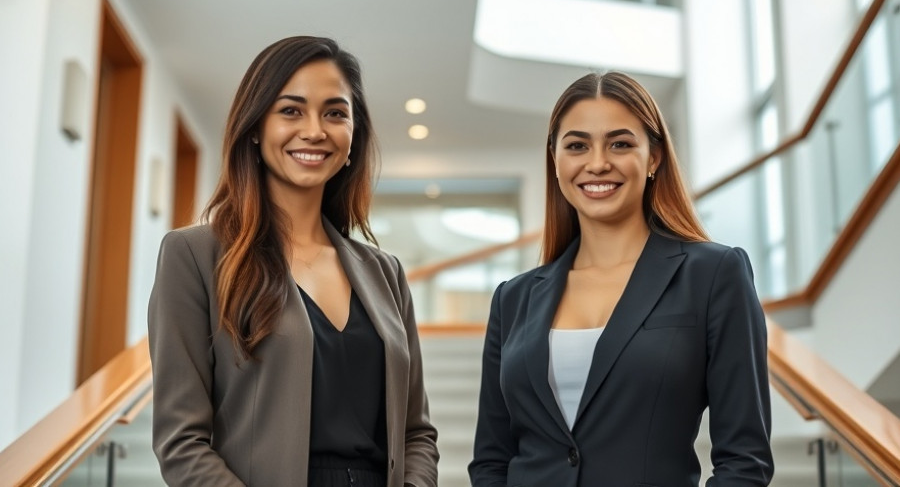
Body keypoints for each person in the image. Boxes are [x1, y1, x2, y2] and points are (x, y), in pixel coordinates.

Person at [148, 36, 439, 487]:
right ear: (254, 127)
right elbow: (181, 442)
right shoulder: (194, 256)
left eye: (336, 113)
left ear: (353, 135)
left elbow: (417, 432)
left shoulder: (386, 273)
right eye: (291, 110)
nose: (315, 130)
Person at [469, 71, 773, 486]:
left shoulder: (713, 275)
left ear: (654, 157)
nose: (597, 163)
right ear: (555, 160)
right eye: (577, 145)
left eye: (620, 143)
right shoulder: (513, 299)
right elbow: (491, 459)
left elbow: (745, 461)